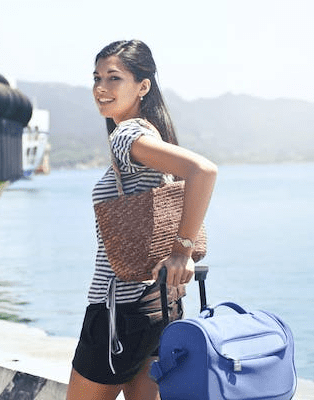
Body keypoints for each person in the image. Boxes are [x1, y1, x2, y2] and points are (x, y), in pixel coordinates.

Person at [66, 40, 217, 400]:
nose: (101, 88)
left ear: (143, 86)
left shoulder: (127, 134)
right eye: (97, 78)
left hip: (119, 310)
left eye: (114, 78)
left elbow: (203, 171)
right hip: (162, 304)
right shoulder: (152, 131)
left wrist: (182, 251)